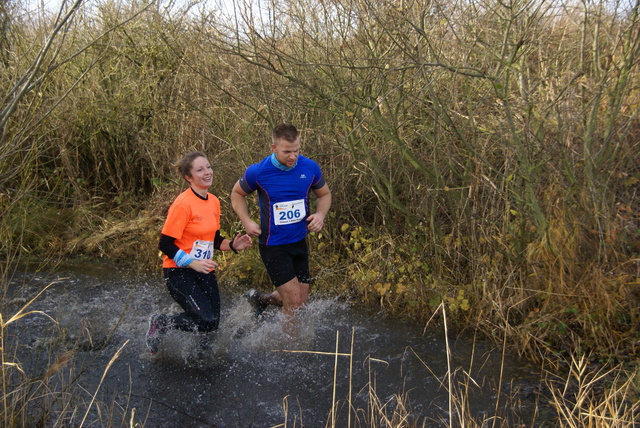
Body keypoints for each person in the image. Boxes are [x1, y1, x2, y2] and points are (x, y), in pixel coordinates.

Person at [146, 151, 252, 354]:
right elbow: (165, 244)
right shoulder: (183, 204)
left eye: (209, 167)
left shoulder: (213, 201)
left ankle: (198, 357)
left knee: (212, 323)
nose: (207, 172)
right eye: (200, 169)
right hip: (179, 272)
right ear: (189, 177)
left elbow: (212, 239)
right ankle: (162, 323)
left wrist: (232, 245)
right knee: (205, 319)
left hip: (204, 270)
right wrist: (191, 262)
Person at [230, 123, 331, 319]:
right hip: (273, 245)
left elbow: (325, 194)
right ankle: (289, 348)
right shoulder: (258, 172)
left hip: (299, 242)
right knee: (293, 303)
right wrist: (247, 221)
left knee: (301, 301)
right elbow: (236, 193)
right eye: (287, 152)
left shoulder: (309, 167)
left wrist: (320, 215)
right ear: (274, 148)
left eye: (297, 150)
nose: (293, 156)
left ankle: (260, 299)